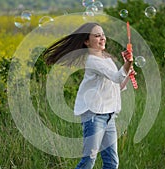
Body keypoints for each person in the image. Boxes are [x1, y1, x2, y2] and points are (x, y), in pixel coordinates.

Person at [43, 22, 134, 169]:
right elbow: (117, 77)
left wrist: (128, 74)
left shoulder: (107, 59)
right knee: (88, 161)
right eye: (97, 36)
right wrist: (128, 64)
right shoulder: (93, 61)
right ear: (87, 41)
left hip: (109, 115)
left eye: (103, 35)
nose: (102, 38)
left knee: (112, 163)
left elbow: (117, 85)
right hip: (94, 116)